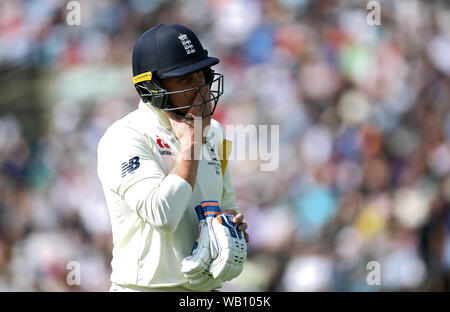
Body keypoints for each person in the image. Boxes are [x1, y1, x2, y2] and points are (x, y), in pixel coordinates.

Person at [97, 24, 249, 292]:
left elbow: (227, 204)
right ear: (151, 88)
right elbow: (163, 215)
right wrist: (190, 143)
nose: (201, 87)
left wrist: (231, 226)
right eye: (185, 79)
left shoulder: (216, 133)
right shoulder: (124, 137)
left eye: (202, 75)